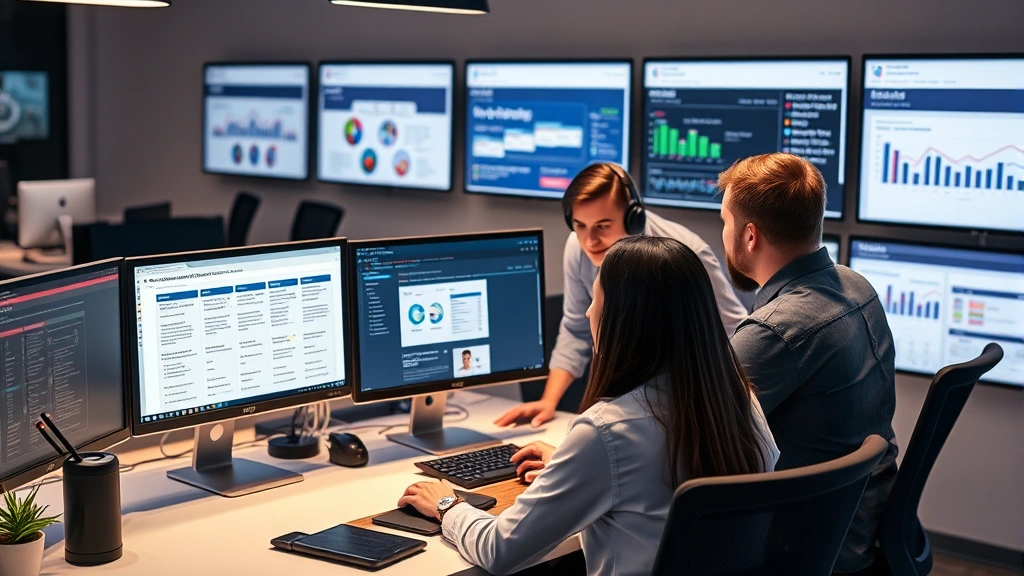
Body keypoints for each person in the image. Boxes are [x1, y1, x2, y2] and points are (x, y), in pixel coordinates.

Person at [398, 236, 779, 576]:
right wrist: (576, 466)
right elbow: (654, 479)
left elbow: (501, 551)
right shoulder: (739, 401)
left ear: (623, 319)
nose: (587, 312)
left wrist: (446, 504)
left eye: (597, 299)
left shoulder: (608, 430)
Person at [719, 153, 898, 574]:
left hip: (804, 545)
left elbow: (686, 433)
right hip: (863, 526)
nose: (722, 233)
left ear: (749, 235)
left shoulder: (773, 332)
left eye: (724, 221)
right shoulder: (857, 285)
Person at [496, 163, 747, 427]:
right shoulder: (578, 248)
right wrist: (548, 402)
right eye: (580, 225)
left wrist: (730, 414)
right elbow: (575, 330)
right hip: (623, 398)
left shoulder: (686, 253)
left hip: (687, 404)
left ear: (633, 218)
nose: (589, 241)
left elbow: (736, 333)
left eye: (603, 226)